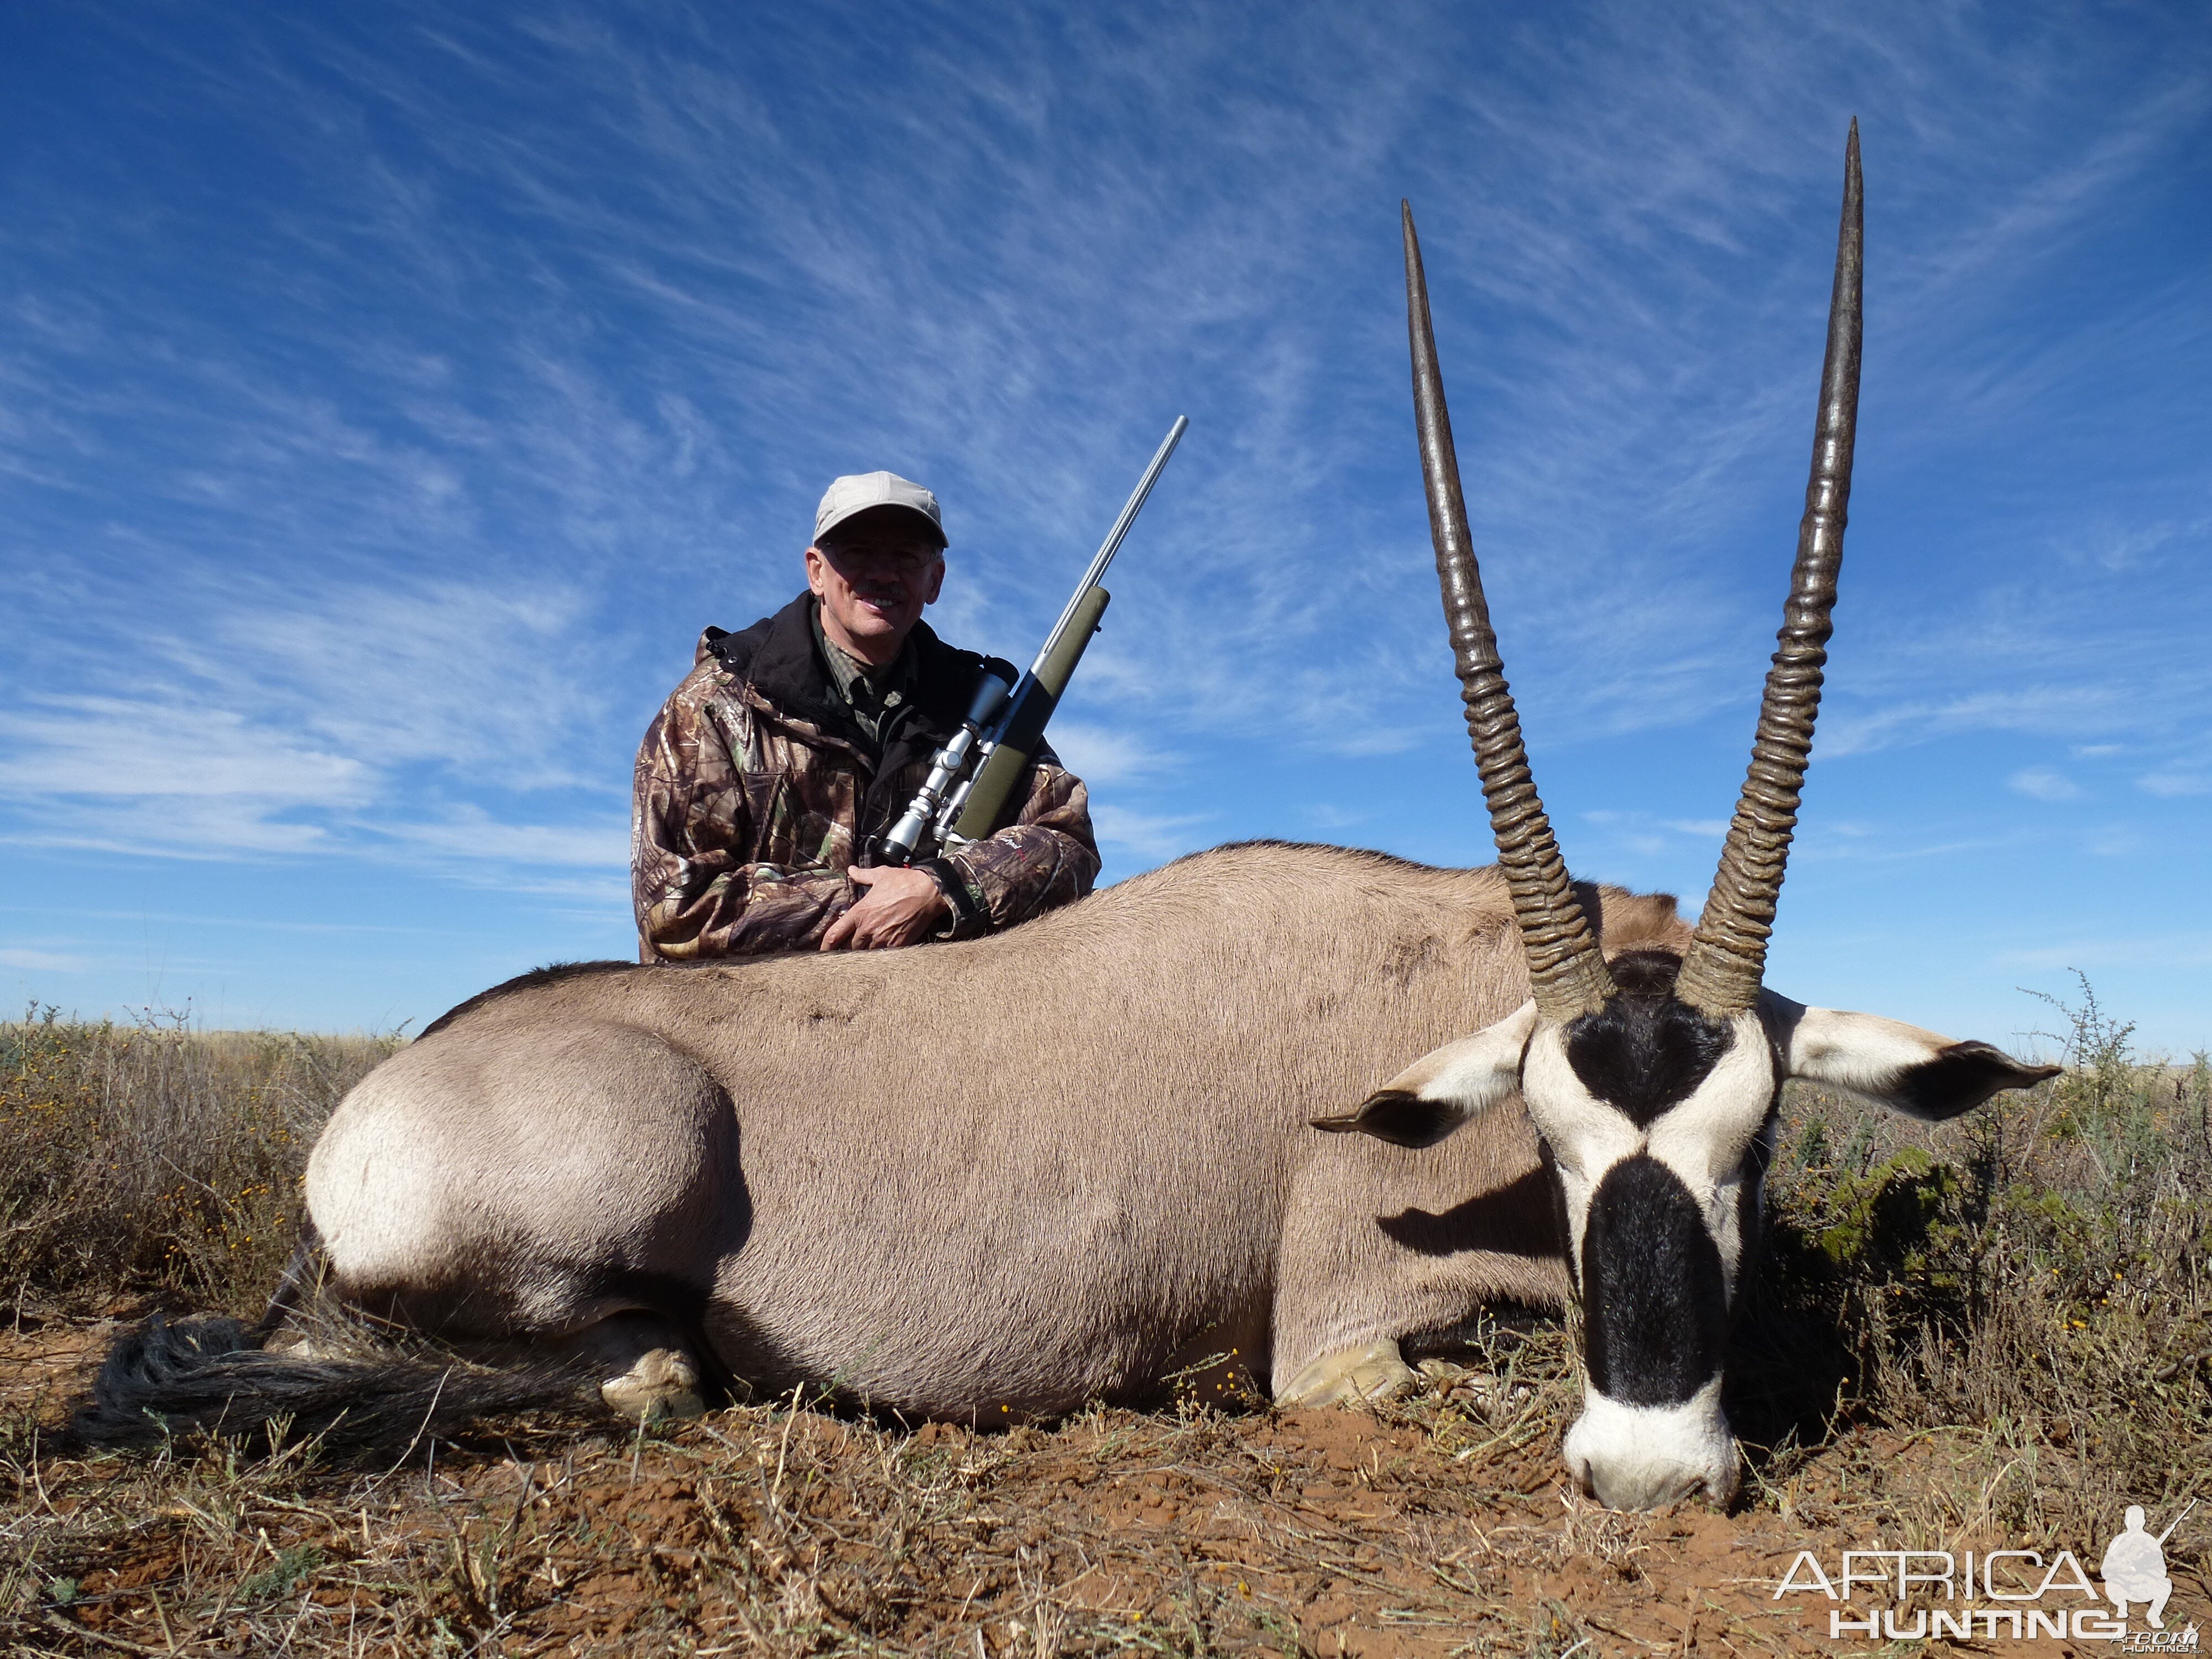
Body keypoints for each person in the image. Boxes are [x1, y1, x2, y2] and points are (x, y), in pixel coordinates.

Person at [632, 470, 1100, 960]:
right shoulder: (714, 704)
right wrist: (871, 902)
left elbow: (1068, 842)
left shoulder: (982, 706)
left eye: (905, 556)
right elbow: (676, 905)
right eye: (857, 552)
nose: (883, 574)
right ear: (816, 571)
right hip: (747, 1020)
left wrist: (940, 888)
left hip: (929, 1014)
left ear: (934, 579)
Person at [2101, 1505, 2174, 1627]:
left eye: (2138, 1521)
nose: (2135, 1524)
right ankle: (2121, 1606)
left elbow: (2162, 1571)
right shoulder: (2119, 1541)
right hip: (2122, 1585)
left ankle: (2154, 1615)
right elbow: (2106, 1569)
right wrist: (2125, 1568)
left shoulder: (2151, 1542)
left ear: (2143, 1522)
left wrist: (2145, 1568)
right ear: (2126, 1522)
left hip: (2143, 1586)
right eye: (2132, 1520)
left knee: (2166, 1584)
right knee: (2110, 1583)